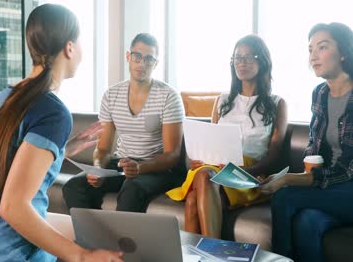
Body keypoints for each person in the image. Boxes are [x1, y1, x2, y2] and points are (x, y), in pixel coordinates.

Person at [0, 4, 123, 262]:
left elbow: (9, 167)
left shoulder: (6, 98)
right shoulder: (53, 112)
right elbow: (12, 207)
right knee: (100, 245)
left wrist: (63, 149)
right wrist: (82, 256)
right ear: (69, 47)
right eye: (81, 42)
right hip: (4, 255)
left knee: (85, 230)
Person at [166, 34, 288, 238]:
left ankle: (203, 256)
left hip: (246, 173)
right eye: (237, 58)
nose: (242, 63)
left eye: (249, 57)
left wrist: (246, 170)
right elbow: (208, 140)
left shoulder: (277, 103)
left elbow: (274, 154)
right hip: (213, 168)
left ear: (263, 62)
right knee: (204, 174)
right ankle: (213, 255)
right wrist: (193, 161)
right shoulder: (222, 101)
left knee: (193, 200)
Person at [62, 33, 186, 213]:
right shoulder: (111, 95)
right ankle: (92, 239)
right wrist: (98, 168)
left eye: (149, 59)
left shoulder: (169, 96)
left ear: (155, 63)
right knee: (73, 186)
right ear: (128, 57)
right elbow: (103, 149)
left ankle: (122, 242)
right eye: (137, 56)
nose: (142, 63)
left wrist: (141, 167)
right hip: (123, 164)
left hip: (157, 168)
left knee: (132, 188)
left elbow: (172, 155)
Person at [261, 22, 353, 262]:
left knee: (284, 195)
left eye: (322, 47)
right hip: (332, 189)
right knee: (307, 221)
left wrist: (291, 180)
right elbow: (313, 146)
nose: (313, 56)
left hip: (348, 186)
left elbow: (346, 169)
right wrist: (303, 175)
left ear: (343, 52)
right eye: (310, 49)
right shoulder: (320, 93)